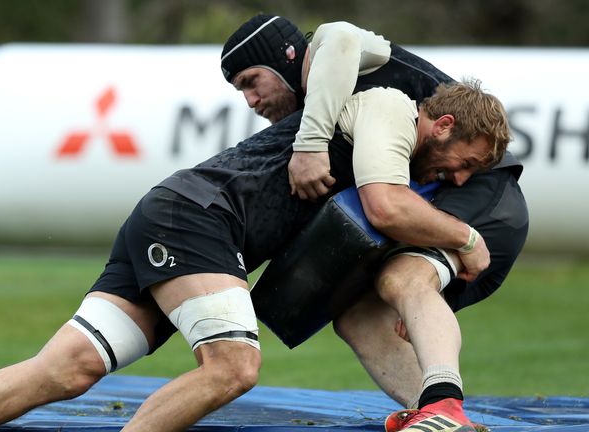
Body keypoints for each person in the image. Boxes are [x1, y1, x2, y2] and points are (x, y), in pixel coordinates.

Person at [0, 75, 508, 432]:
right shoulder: (394, 108)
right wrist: (467, 237)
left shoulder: (385, 140)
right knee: (233, 366)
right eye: (467, 164)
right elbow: (386, 207)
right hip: (198, 219)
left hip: (178, 215)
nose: (458, 181)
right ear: (444, 123)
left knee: (64, 371)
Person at [221, 14, 527, 431]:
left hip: (487, 200)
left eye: (251, 82)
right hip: (458, 203)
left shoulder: (329, 53)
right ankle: (438, 417)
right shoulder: (336, 103)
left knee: (403, 278)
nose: (252, 100)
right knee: (356, 317)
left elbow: (342, 35)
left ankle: (445, 406)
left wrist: (309, 145)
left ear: (285, 60)